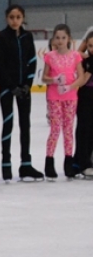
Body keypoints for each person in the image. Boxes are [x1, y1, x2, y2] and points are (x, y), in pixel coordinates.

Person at [0, 4, 42, 181]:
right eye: (12, 17)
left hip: (24, 88)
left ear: (23, 18)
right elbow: (0, 63)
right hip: (7, 87)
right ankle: (6, 164)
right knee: (8, 123)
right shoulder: (1, 37)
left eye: (18, 17)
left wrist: (27, 84)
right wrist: (12, 85)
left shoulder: (28, 36)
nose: (15, 21)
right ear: (7, 18)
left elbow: (32, 60)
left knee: (25, 124)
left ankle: (26, 164)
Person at [40, 24, 80, 181]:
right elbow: (44, 78)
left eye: (63, 37)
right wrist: (55, 80)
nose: (60, 40)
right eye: (57, 37)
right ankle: (49, 161)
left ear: (69, 38)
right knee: (55, 129)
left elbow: (81, 77)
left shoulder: (75, 56)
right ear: (54, 39)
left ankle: (68, 162)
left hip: (71, 97)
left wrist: (70, 86)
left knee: (68, 129)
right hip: (54, 97)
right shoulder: (50, 56)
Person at [72, 31, 93, 179]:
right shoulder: (86, 59)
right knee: (83, 129)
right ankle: (81, 162)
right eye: (90, 46)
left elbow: (84, 79)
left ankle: (83, 161)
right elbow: (76, 54)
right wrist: (83, 51)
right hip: (85, 97)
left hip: (88, 94)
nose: (91, 49)